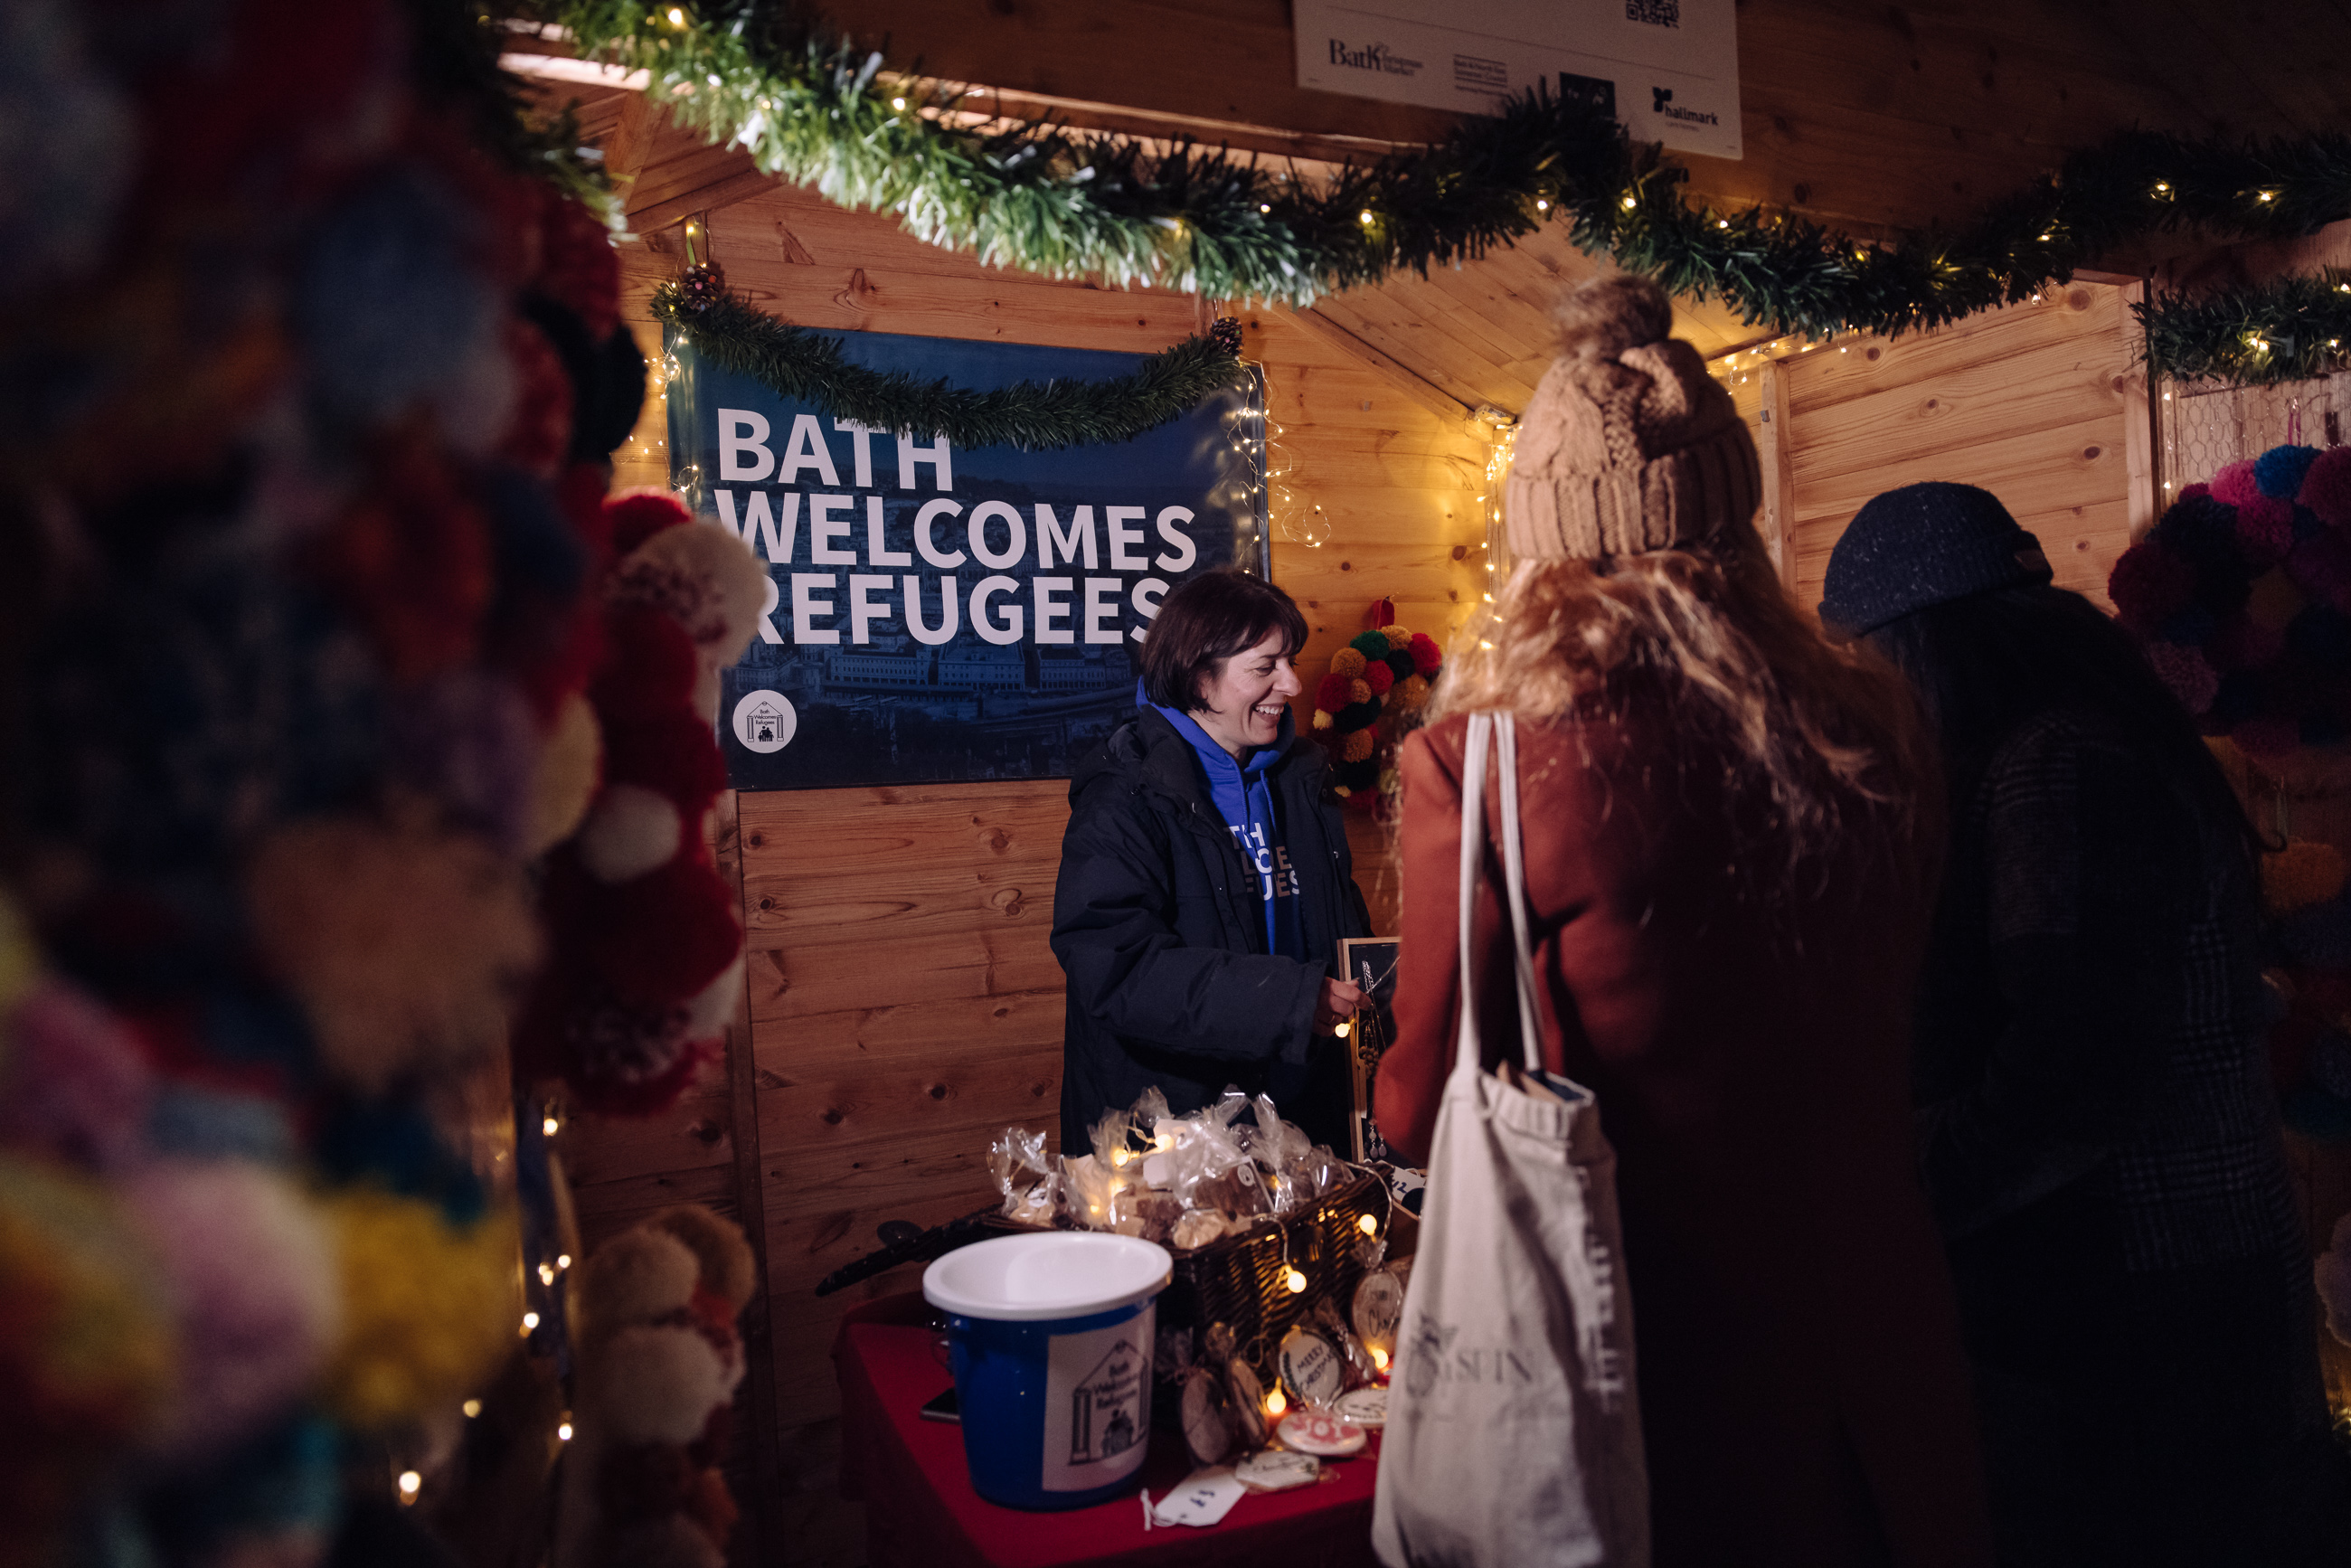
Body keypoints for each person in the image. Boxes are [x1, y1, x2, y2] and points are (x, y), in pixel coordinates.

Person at [1375, 275, 1993, 1568]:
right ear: (1737, 524)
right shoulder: (1870, 730)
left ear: (1541, 546)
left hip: (1655, 1397)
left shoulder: (1487, 771)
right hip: (1891, 1363)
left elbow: (1420, 1106)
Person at [1821, 483, 2345, 1568]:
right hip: (2155, 1294)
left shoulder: (2058, 767)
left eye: (1868, 661)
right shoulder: (2082, 743)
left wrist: (1878, 1193)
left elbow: (2073, 1075)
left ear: (1924, 642)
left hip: (2146, 1310)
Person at [1053, 568, 1370, 1152]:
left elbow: (1338, 931)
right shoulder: (1123, 795)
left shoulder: (1302, 777)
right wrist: (1292, 1000)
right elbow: (1117, 969)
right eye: (1265, 667)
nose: (1294, 685)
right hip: (1172, 1141)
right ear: (1201, 679)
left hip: (1303, 1125)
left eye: (1290, 661)